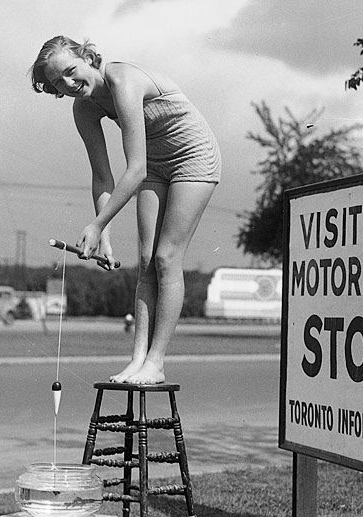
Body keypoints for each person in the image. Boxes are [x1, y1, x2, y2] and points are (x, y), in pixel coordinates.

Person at [29, 35, 220, 385]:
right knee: (146, 261)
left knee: (166, 258)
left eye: (72, 71)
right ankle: (137, 360)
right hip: (156, 164)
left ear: (87, 57)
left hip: (193, 156)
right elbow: (102, 176)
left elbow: (135, 170)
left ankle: (157, 362)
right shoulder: (83, 109)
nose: (70, 84)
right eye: (58, 82)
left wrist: (98, 224)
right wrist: (105, 236)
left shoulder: (122, 79)